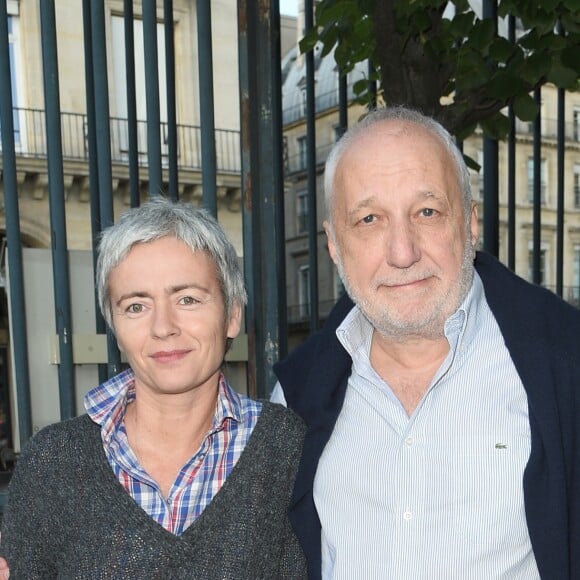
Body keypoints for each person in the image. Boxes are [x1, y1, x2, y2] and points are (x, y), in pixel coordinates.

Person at [272, 105, 580, 579]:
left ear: (471, 223)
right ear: (334, 244)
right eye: (370, 219)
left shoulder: (565, 365)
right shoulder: (295, 394)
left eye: (428, 211)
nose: (403, 252)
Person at [0, 198, 307, 578]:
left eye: (188, 299)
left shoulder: (289, 447)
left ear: (232, 316)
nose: (163, 327)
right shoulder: (53, 462)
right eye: (135, 306)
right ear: (113, 326)